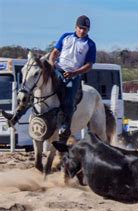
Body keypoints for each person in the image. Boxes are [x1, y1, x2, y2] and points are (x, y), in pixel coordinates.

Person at [4, 15, 96, 144]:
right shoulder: (66, 37)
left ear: (88, 30)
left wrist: (74, 72)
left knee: (68, 99)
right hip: (58, 69)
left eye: (85, 29)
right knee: (36, 87)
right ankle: (16, 115)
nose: (82, 31)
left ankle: (65, 128)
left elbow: (89, 65)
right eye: (80, 28)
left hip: (73, 75)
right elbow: (54, 52)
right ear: (76, 27)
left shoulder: (90, 44)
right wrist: (52, 63)